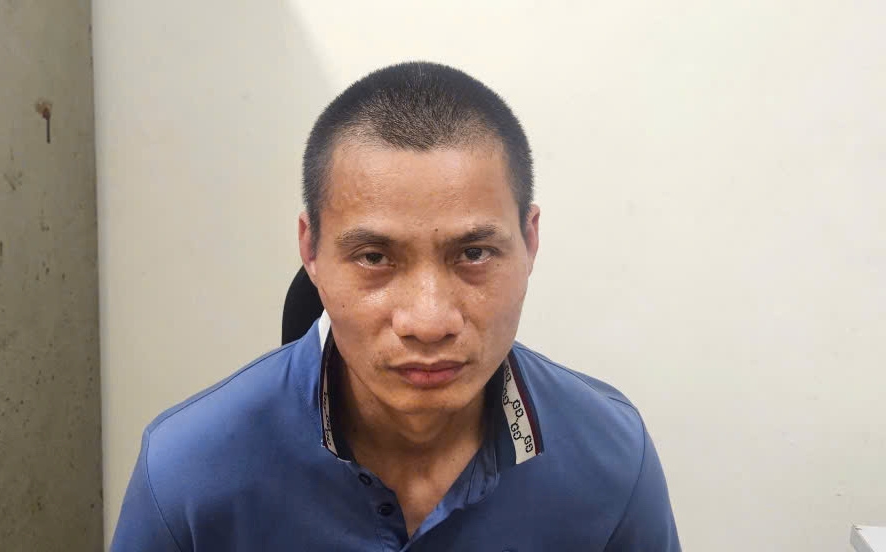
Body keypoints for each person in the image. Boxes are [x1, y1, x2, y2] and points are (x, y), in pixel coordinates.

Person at [111, 61, 681, 551]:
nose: (428, 322)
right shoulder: (188, 474)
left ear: (530, 242)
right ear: (311, 251)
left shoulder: (611, 459)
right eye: (375, 257)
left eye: (474, 253)